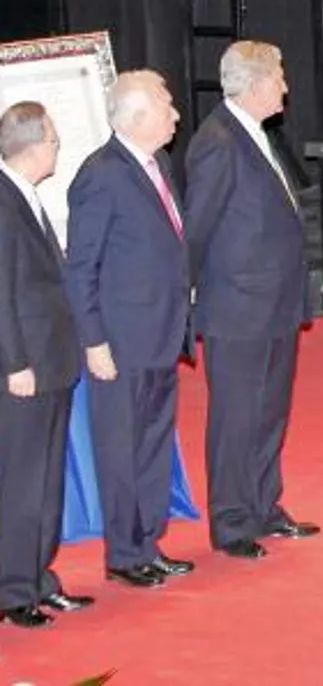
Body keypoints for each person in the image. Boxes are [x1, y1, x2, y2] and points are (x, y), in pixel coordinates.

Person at [185, 41, 319, 560]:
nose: (285, 87)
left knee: (269, 412)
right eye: (280, 78)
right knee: (236, 417)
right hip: (237, 308)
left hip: (275, 303)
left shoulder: (254, 134)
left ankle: (264, 505)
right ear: (257, 83)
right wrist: (187, 299)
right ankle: (232, 520)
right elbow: (197, 230)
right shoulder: (218, 142)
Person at [62, 71, 194, 590]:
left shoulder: (156, 163)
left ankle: (148, 541)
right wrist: (93, 341)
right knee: (121, 448)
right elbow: (82, 268)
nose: (176, 117)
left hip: (161, 332)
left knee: (154, 443)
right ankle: (123, 554)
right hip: (120, 341)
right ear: (137, 117)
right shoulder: (101, 175)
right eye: (167, 108)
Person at [0, 102, 86, 628]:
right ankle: (13, 589)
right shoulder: (3, 201)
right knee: (23, 481)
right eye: (53, 139)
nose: (57, 147)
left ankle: (38, 577)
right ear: (33, 145)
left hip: (51, 361)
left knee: (48, 479)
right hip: (25, 370)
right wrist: (15, 363)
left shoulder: (24, 196)